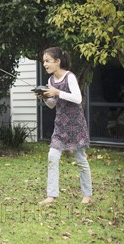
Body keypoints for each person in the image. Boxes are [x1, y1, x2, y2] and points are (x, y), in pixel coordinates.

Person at [37, 47, 92, 204]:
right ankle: (51, 196)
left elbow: (77, 98)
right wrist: (44, 97)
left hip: (76, 125)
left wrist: (57, 92)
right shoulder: (51, 81)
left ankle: (87, 195)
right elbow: (52, 105)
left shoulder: (70, 77)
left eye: (47, 61)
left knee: (81, 160)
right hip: (60, 125)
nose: (45, 64)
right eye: (43, 62)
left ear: (57, 61)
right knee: (52, 157)